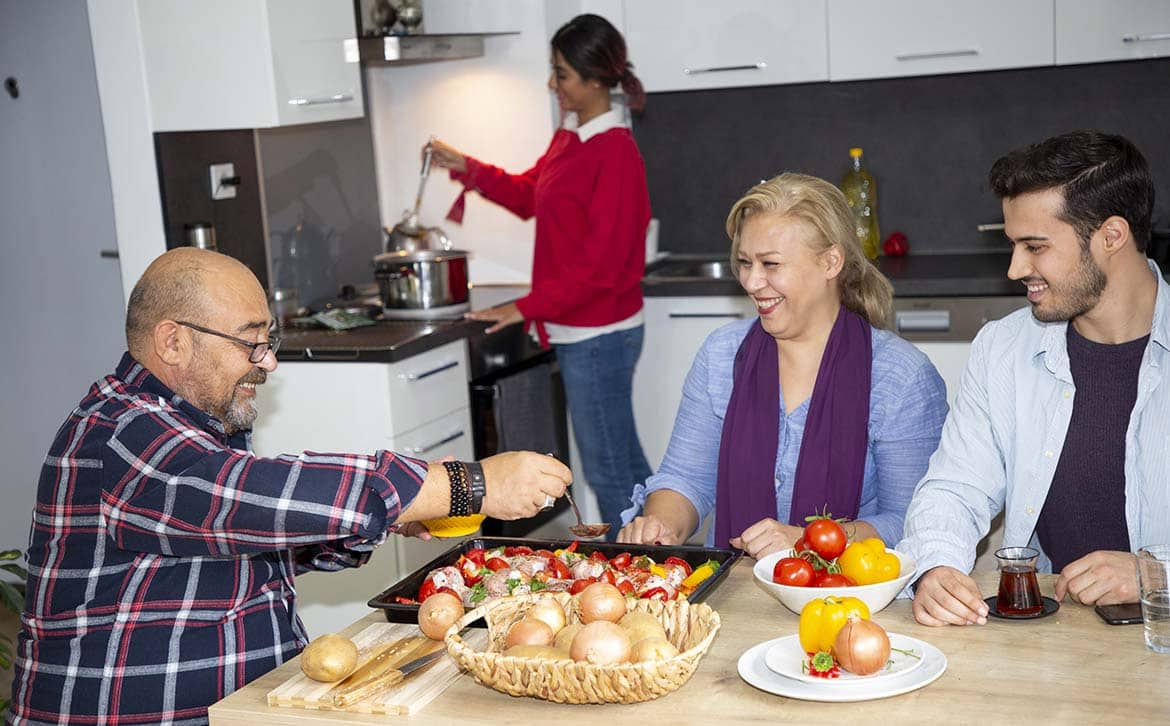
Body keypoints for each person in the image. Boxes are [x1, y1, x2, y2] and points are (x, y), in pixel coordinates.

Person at [8, 248, 571, 724]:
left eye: (268, 340)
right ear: (173, 342)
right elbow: (249, 490)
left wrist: (383, 517)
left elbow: (243, 538)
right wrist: (463, 485)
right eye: (250, 342)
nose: (268, 362)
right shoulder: (122, 432)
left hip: (241, 705)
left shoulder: (191, 424)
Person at [899, 130, 1170, 627]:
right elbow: (956, 487)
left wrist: (1156, 573)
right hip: (1052, 632)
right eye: (1013, 245)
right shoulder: (1001, 348)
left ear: (1112, 236)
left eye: (1035, 246)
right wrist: (936, 564)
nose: (1015, 268)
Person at [617, 173, 948, 557]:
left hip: (849, 600)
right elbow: (687, 478)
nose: (753, 282)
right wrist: (662, 525)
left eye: (771, 264)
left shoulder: (900, 376)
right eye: (744, 263)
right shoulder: (721, 355)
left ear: (831, 261)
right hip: (733, 596)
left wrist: (813, 540)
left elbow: (912, 519)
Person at [427, 13, 652, 539]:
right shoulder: (570, 139)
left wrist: (523, 306)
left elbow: (599, 269)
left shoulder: (614, 152)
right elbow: (534, 196)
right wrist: (467, 167)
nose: (554, 84)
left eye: (563, 74)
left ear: (597, 79)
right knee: (625, 463)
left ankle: (638, 579)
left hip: (599, 334)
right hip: (584, 330)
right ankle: (669, 559)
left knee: (610, 471)